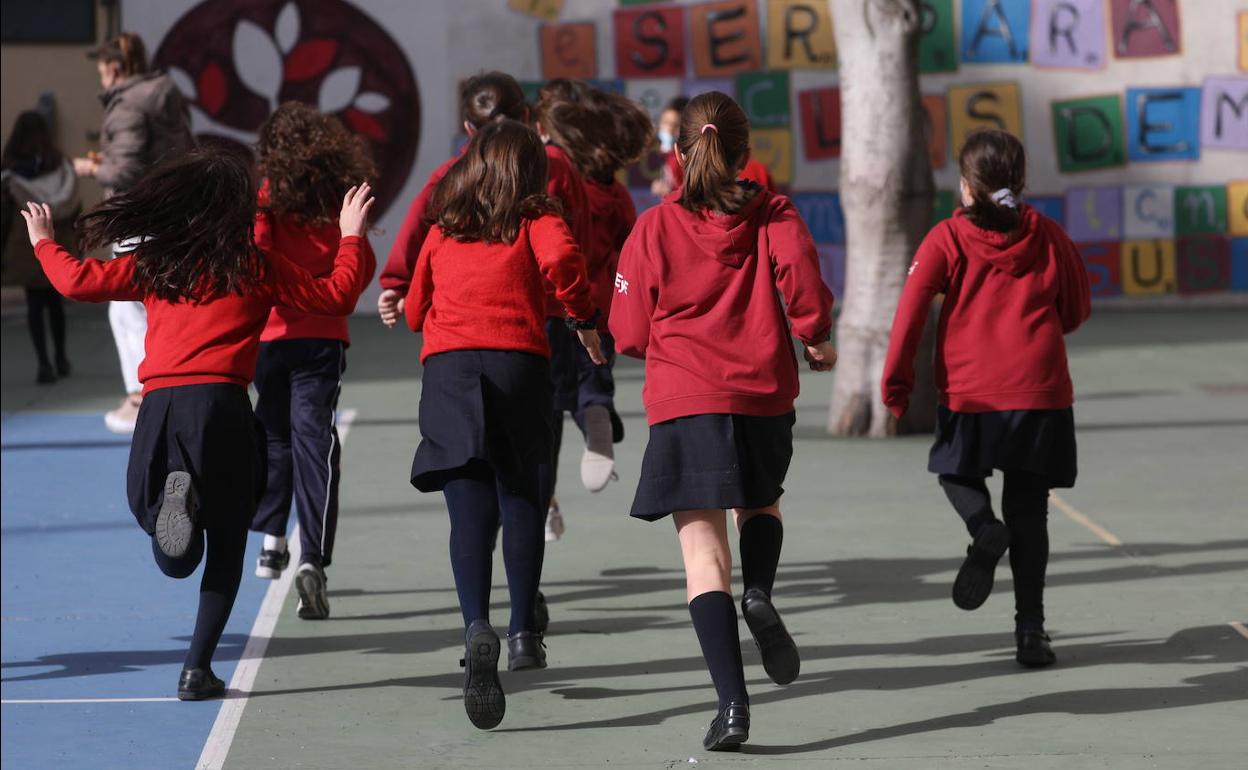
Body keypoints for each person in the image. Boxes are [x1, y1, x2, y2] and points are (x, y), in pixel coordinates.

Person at [21, 150, 374, 700]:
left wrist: (44, 239)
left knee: (160, 527)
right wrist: (351, 235)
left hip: (160, 408)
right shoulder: (257, 263)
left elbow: (76, 282)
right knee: (229, 541)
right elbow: (336, 296)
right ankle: (196, 669)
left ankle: (171, 518)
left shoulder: (158, 264)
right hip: (225, 408)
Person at [610, 91, 835, 751]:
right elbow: (804, 285)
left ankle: (733, 708)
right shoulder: (775, 211)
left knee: (703, 558)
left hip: (686, 401)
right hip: (763, 394)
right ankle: (760, 592)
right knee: (761, 503)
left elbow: (626, 329)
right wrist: (815, 336)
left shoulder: (653, 226)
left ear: (680, 154)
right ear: (745, 153)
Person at [402, 119, 602, 730]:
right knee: (523, 499)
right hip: (519, 365)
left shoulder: (442, 229)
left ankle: (474, 628)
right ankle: (521, 634)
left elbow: (414, 311)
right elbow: (565, 258)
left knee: (468, 515)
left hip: (450, 372)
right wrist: (582, 315)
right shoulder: (536, 218)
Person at [881, 128, 1091, 669]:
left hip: (971, 392)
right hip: (1039, 392)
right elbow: (1076, 308)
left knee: (955, 473)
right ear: (1018, 181)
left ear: (967, 185)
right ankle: (1030, 631)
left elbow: (909, 314)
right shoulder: (1047, 234)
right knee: (1031, 512)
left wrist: (896, 382)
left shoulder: (946, 239)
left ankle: (982, 528)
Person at [247, 102, 378, 622]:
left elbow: (257, 257)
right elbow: (358, 262)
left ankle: (272, 537)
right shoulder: (341, 198)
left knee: (273, 435)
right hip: (322, 336)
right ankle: (312, 559)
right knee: (315, 442)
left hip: (271, 336)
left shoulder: (266, 196)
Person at [75, 32, 194, 433]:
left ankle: (144, 395)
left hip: (139, 218)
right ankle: (157, 390)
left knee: (128, 308)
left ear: (113, 67)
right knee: (152, 306)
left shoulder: (130, 103)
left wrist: (93, 168)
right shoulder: (165, 94)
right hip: (171, 214)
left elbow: (125, 171)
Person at [537, 86, 652, 492]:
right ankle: (598, 413)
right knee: (593, 382)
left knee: (547, 408)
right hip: (600, 310)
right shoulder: (618, 196)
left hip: (556, 305)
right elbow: (629, 250)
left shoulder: (562, 182)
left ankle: (544, 498)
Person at [529, 79, 597, 542]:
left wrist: (400, 281)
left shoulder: (530, 163)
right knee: (549, 412)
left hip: (516, 308)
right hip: (556, 310)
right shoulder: (574, 169)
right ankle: (543, 496)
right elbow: (582, 244)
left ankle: (539, 499)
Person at [1, 111, 79, 384]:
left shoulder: (10, 173)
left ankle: (43, 362)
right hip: (58, 239)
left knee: (35, 302)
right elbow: (75, 207)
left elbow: (4, 214)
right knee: (55, 300)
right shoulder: (62, 166)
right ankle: (61, 357)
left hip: (26, 244)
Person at [650, 96, 688, 197]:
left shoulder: (686, 157)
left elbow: (695, 194)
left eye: (675, 125)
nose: (669, 129)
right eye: (665, 123)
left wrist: (670, 192)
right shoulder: (665, 154)